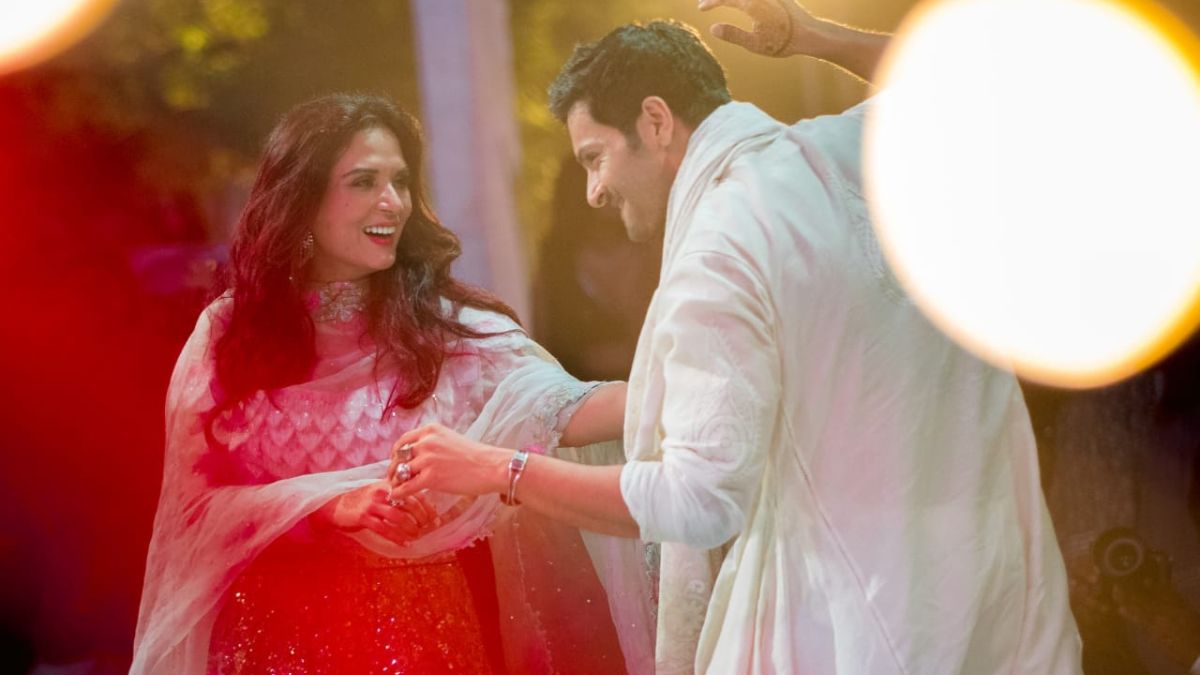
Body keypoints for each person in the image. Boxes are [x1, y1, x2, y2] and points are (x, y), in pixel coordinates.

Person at [388, 2, 1082, 673]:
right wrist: (816, 36)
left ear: (656, 122)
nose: (595, 190)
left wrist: (499, 470)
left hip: (862, 630)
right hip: (998, 602)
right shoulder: (842, 151)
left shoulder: (716, 256)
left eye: (595, 156)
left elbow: (697, 500)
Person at [130, 93, 655, 674]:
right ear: (303, 201)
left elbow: (570, 408)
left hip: (419, 644)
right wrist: (331, 508)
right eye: (363, 181)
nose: (392, 202)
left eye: (401, 181)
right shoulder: (232, 333)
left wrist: (712, 378)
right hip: (268, 643)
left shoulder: (449, 332)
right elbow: (194, 513)